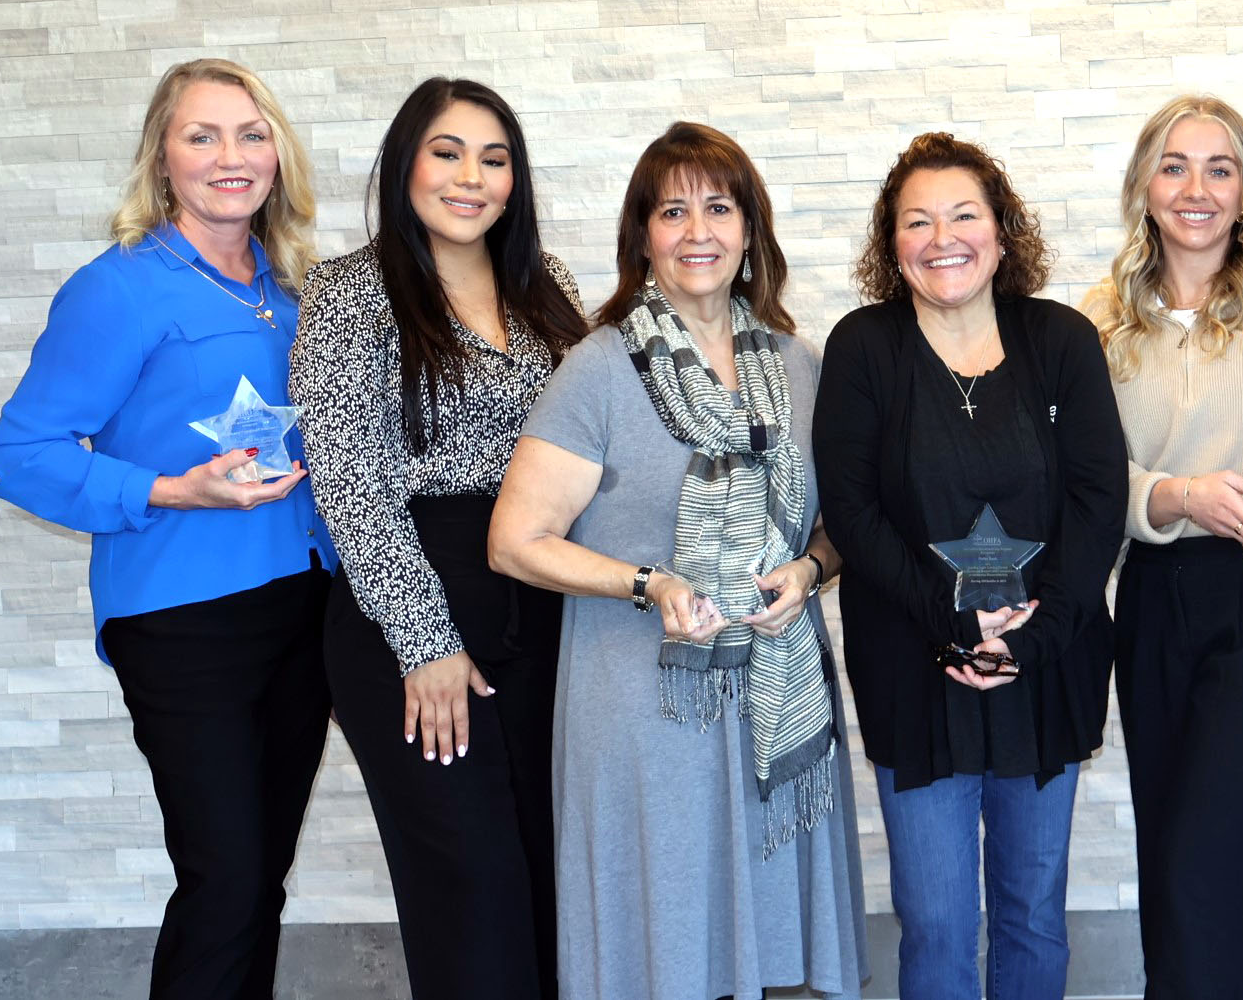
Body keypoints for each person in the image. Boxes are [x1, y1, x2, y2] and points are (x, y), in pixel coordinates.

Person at [487, 121, 867, 1000]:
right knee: (664, 948)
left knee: (769, 952)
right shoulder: (599, 370)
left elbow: (847, 522)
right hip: (646, 715)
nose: (698, 230)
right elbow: (513, 541)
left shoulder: (800, 367)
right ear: (642, 237)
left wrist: (809, 572)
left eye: (719, 207)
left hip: (776, 701)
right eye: (672, 210)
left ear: (749, 230)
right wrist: (645, 582)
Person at [0, 58, 333, 998]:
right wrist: (173, 491)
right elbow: (20, 455)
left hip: (302, 609)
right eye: (202, 135)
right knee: (223, 882)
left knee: (260, 881)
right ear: (162, 158)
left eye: (251, 134)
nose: (231, 156)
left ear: (278, 154)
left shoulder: (292, 287)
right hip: (181, 621)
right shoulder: (120, 288)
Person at [291, 77, 587, 1000]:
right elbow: (352, 488)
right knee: (472, 885)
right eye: (447, 152)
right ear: (405, 164)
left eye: (494, 159)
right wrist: (426, 646)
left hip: (542, 603)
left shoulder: (548, 286)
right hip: (414, 611)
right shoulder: (350, 293)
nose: (472, 178)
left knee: (553, 869)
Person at [814, 133, 1126, 1000]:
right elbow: (853, 513)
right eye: (916, 221)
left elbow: (1098, 501)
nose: (942, 237)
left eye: (963, 214)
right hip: (913, 667)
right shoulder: (863, 348)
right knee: (939, 923)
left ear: (1000, 230)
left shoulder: (1060, 338)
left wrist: (1039, 632)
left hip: (1045, 661)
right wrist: (953, 624)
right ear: (891, 243)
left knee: (1032, 913)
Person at [1081, 96, 1243, 998]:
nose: (1195, 188)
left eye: (1219, 168)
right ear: (1143, 188)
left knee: (1229, 849)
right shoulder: (1094, 324)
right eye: (1174, 166)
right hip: (1153, 593)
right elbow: (1079, 479)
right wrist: (1175, 493)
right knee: (1168, 843)